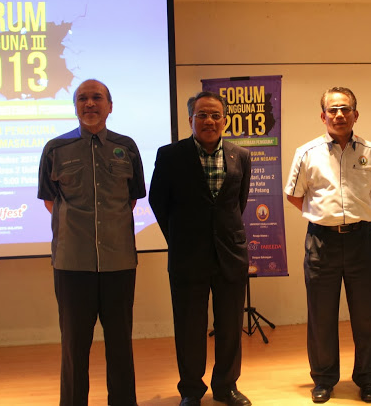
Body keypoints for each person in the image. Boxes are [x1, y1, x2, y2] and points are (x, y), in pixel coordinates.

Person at [38, 79, 145, 406]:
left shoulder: (127, 147)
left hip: (119, 263)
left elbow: (131, 199)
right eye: (82, 98)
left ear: (109, 106)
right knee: (74, 346)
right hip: (72, 264)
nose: (89, 103)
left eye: (97, 97)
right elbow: (50, 201)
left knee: (120, 344)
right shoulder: (55, 149)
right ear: (75, 107)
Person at [284, 87, 371, 403]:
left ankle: (368, 379)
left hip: (361, 241)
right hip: (322, 242)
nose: (339, 115)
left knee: (365, 315)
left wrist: (356, 215)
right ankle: (323, 379)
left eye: (345, 109)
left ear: (356, 114)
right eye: (332, 110)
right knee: (321, 315)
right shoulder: (307, 153)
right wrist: (325, 217)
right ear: (323, 116)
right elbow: (294, 195)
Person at [149, 91, 252, 406]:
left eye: (216, 115)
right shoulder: (170, 155)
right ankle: (191, 390)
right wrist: (180, 238)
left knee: (230, 326)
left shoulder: (240, 156)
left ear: (225, 120)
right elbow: (158, 202)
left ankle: (226, 386)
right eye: (202, 115)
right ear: (190, 119)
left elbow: (238, 203)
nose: (209, 121)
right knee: (189, 327)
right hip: (187, 256)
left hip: (230, 255)